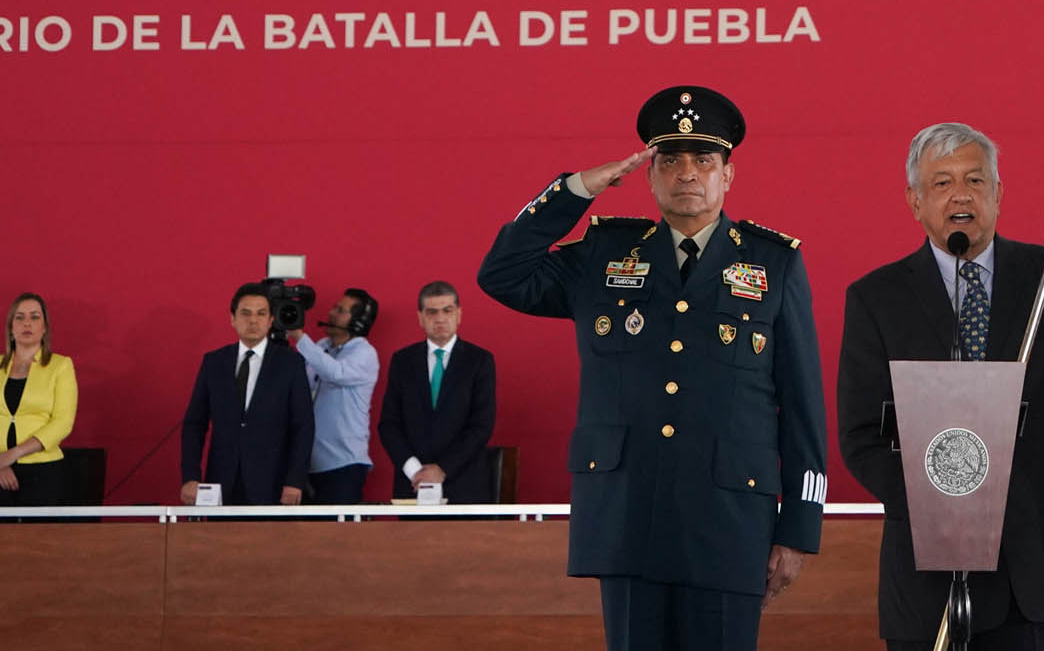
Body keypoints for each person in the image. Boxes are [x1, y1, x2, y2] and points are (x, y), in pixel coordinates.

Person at [477, 85, 828, 651]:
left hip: (730, 521)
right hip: (626, 518)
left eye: (703, 161)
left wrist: (799, 529)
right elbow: (502, 274)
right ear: (649, 175)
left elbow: (803, 404)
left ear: (727, 176)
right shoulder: (603, 255)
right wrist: (577, 189)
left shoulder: (773, 262)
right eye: (670, 160)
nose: (687, 173)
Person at [838, 122, 1044, 651]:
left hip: (1041, 563)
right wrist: (940, 504)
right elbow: (862, 434)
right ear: (915, 201)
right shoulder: (876, 298)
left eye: (975, 180)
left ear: (998, 194)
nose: (961, 194)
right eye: (941, 183)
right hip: (930, 572)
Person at [181, 285, 314, 506]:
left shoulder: (291, 363)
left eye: (261, 313)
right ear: (232, 318)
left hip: (274, 484)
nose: (253, 321)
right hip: (221, 485)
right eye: (246, 313)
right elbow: (195, 424)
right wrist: (190, 477)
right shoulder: (214, 362)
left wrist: (295, 480)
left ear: (271, 319)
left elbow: (303, 426)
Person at [378, 280, 498, 502]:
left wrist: (443, 469)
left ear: (459, 314)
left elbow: (482, 424)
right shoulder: (403, 361)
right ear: (420, 317)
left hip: (464, 484)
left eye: (447, 310)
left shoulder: (479, 360)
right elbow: (389, 424)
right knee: (409, 538)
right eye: (431, 312)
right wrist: (415, 470)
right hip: (412, 483)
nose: (440, 318)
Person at [289, 288, 381, 502]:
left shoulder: (365, 353)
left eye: (340, 310)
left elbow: (335, 373)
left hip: (343, 464)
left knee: (338, 535)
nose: (331, 312)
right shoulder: (321, 347)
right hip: (309, 463)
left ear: (358, 322)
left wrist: (299, 338)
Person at [0, 294, 78, 505]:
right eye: (20, 317)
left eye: (35, 317)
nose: (27, 323)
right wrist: (2, 463)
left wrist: (13, 454)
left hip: (42, 469)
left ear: (44, 328)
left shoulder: (60, 366)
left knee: (39, 537)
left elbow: (63, 422)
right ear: (10, 328)